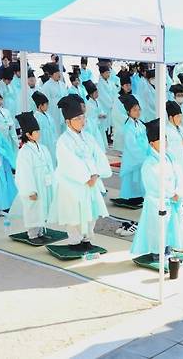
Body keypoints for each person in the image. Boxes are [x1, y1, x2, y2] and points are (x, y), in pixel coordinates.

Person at [48, 96, 112, 251]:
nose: (82, 121)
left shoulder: (88, 137)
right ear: (68, 122)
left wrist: (96, 174)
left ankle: (87, 238)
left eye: (83, 117)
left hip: (92, 182)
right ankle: (75, 240)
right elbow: (69, 163)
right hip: (74, 184)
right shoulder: (63, 141)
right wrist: (85, 178)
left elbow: (99, 155)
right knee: (74, 213)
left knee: (91, 212)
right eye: (78, 118)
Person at [130, 118, 183, 260]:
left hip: (173, 200)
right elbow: (154, 185)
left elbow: (180, 176)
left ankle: (168, 249)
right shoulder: (149, 163)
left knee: (171, 229)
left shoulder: (169, 157)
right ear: (152, 144)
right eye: (161, 140)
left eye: (165, 139)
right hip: (158, 202)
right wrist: (171, 194)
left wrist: (179, 192)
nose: (165, 142)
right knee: (158, 230)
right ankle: (157, 253)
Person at [10, 112, 56, 243]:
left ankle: (40, 231)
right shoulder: (24, 152)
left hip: (44, 183)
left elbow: (50, 166)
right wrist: (30, 190)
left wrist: (53, 182)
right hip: (34, 184)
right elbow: (24, 173)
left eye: (38, 131)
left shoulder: (43, 148)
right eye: (35, 131)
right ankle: (32, 234)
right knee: (33, 208)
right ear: (28, 135)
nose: (38, 133)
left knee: (43, 207)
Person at [118, 95, 148, 207]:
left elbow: (145, 139)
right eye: (134, 110)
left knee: (140, 177)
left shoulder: (140, 124)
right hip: (132, 156)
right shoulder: (128, 127)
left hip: (142, 154)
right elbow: (131, 145)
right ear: (128, 111)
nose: (137, 112)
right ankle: (129, 197)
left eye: (138, 109)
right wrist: (141, 155)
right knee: (131, 178)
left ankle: (138, 196)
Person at [32, 91, 59, 167]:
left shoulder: (48, 115)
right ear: (40, 105)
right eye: (46, 104)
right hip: (44, 144)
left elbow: (54, 130)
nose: (48, 106)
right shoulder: (36, 117)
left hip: (52, 143)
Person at [0, 89, 18, 154]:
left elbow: (12, 123)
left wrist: (9, 125)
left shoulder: (5, 111)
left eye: (1, 99)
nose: (1, 101)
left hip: (8, 138)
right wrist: (7, 126)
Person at [82, 80, 108, 151]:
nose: (97, 94)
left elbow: (101, 110)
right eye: (96, 93)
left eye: (97, 92)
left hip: (99, 125)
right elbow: (90, 116)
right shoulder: (88, 104)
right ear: (91, 94)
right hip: (93, 127)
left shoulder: (97, 101)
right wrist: (98, 116)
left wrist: (102, 115)